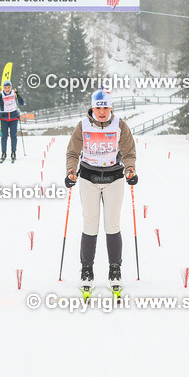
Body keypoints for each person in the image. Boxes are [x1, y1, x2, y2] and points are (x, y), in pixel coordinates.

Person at [64, 88, 137, 296]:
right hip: (88, 177)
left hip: (114, 178)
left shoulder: (120, 125)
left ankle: (115, 270)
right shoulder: (83, 125)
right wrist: (71, 171)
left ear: (110, 107)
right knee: (90, 223)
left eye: (105, 107)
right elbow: (73, 152)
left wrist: (130, 169)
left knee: (112, 223)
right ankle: (87, 270)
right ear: (92, 107)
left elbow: (129, 152)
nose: (102, 111)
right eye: (98, 107)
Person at [0, 80, 25, 163]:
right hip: (4, 118)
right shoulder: (1, 94)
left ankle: (13, 152)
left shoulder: (14, 93)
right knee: (4, 136)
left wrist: (18, 95)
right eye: (5, 88)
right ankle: (3, 153)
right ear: (3, 88)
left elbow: (21, 103)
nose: (7, 89)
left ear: (11, 87)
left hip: (13, 117)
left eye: (8, 87)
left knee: (13, 136)